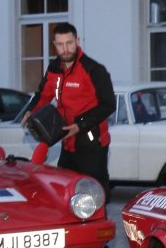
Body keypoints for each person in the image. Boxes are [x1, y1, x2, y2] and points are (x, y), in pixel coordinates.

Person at [27, 22, 114, 199]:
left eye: (69, 43)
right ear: (54, 45)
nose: (65, 49)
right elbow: (43, 95)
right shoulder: (54, 68)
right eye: (60, 44)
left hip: (92, 145)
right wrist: (30, 111)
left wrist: (79, 125)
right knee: (65, 194)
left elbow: (108, 105)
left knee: (94, 195)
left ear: (77, 41)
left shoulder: (93, 70)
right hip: (67, 142)